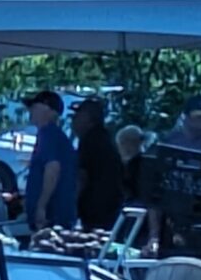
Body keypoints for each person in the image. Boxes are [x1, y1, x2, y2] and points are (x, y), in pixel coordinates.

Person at [21, 90, 78, 231]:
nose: (30, 110)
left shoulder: (49, 134)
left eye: (35, 106)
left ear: (49, 109)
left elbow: (53, 168)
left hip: (52, 217)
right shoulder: (50, 135)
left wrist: (41, 207)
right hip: (56, 215)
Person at [73, 99, 125, 233]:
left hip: (96, 208)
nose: (73, 121)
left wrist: (71, 202)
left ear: (88, 118)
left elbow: (82, 177)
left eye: (77, 116)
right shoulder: (104, 138)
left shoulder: (91, 140)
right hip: (110, 205)